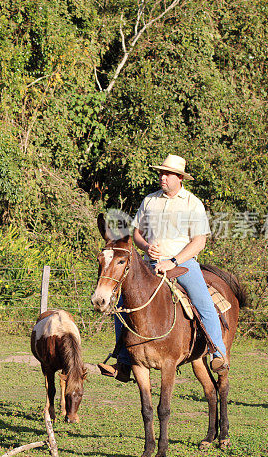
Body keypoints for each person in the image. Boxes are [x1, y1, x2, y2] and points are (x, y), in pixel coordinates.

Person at [98, 154, 228, 382]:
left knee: (204, 302)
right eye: (161, 173)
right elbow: (136, 234)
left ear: (179, 178)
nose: (162, 177)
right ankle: (124, 361)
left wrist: (174, 261)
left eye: (167, 174)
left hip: (183, 264)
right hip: (150, 264)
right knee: (120, 304)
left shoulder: (192, 203)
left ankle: (218, 354)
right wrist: (146, 247)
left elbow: (199, 241)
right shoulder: (150, 201)